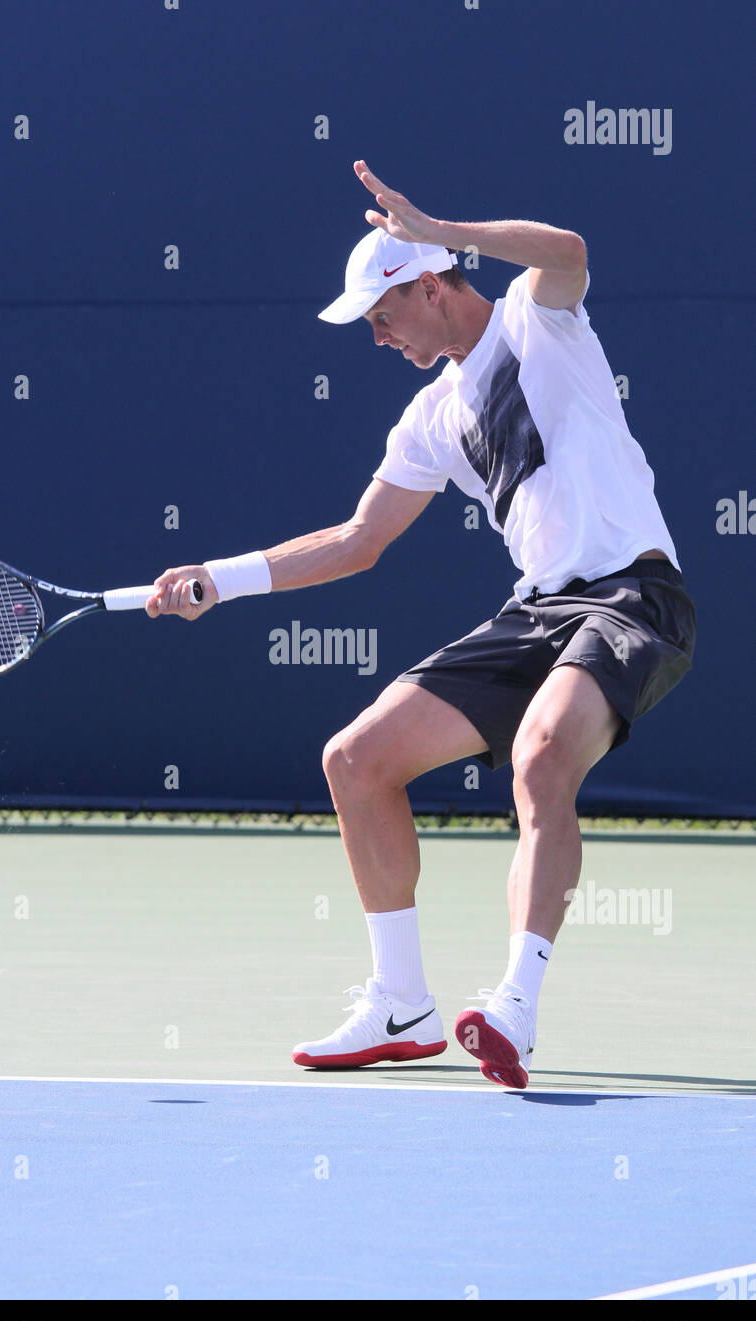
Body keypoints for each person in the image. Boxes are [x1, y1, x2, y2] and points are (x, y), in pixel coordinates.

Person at [146, 160, 696, 1089]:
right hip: (540, 610)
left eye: (382, 316)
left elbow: (569, 252)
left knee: (541, 755)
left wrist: (444, 224)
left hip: (634, 596)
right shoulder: (432, 415)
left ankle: (515, 1007)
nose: (376, 336)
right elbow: (357, 541)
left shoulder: (539, 321)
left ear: (430, 285)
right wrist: (219, 579)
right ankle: (400, 1003)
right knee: (354, 761)